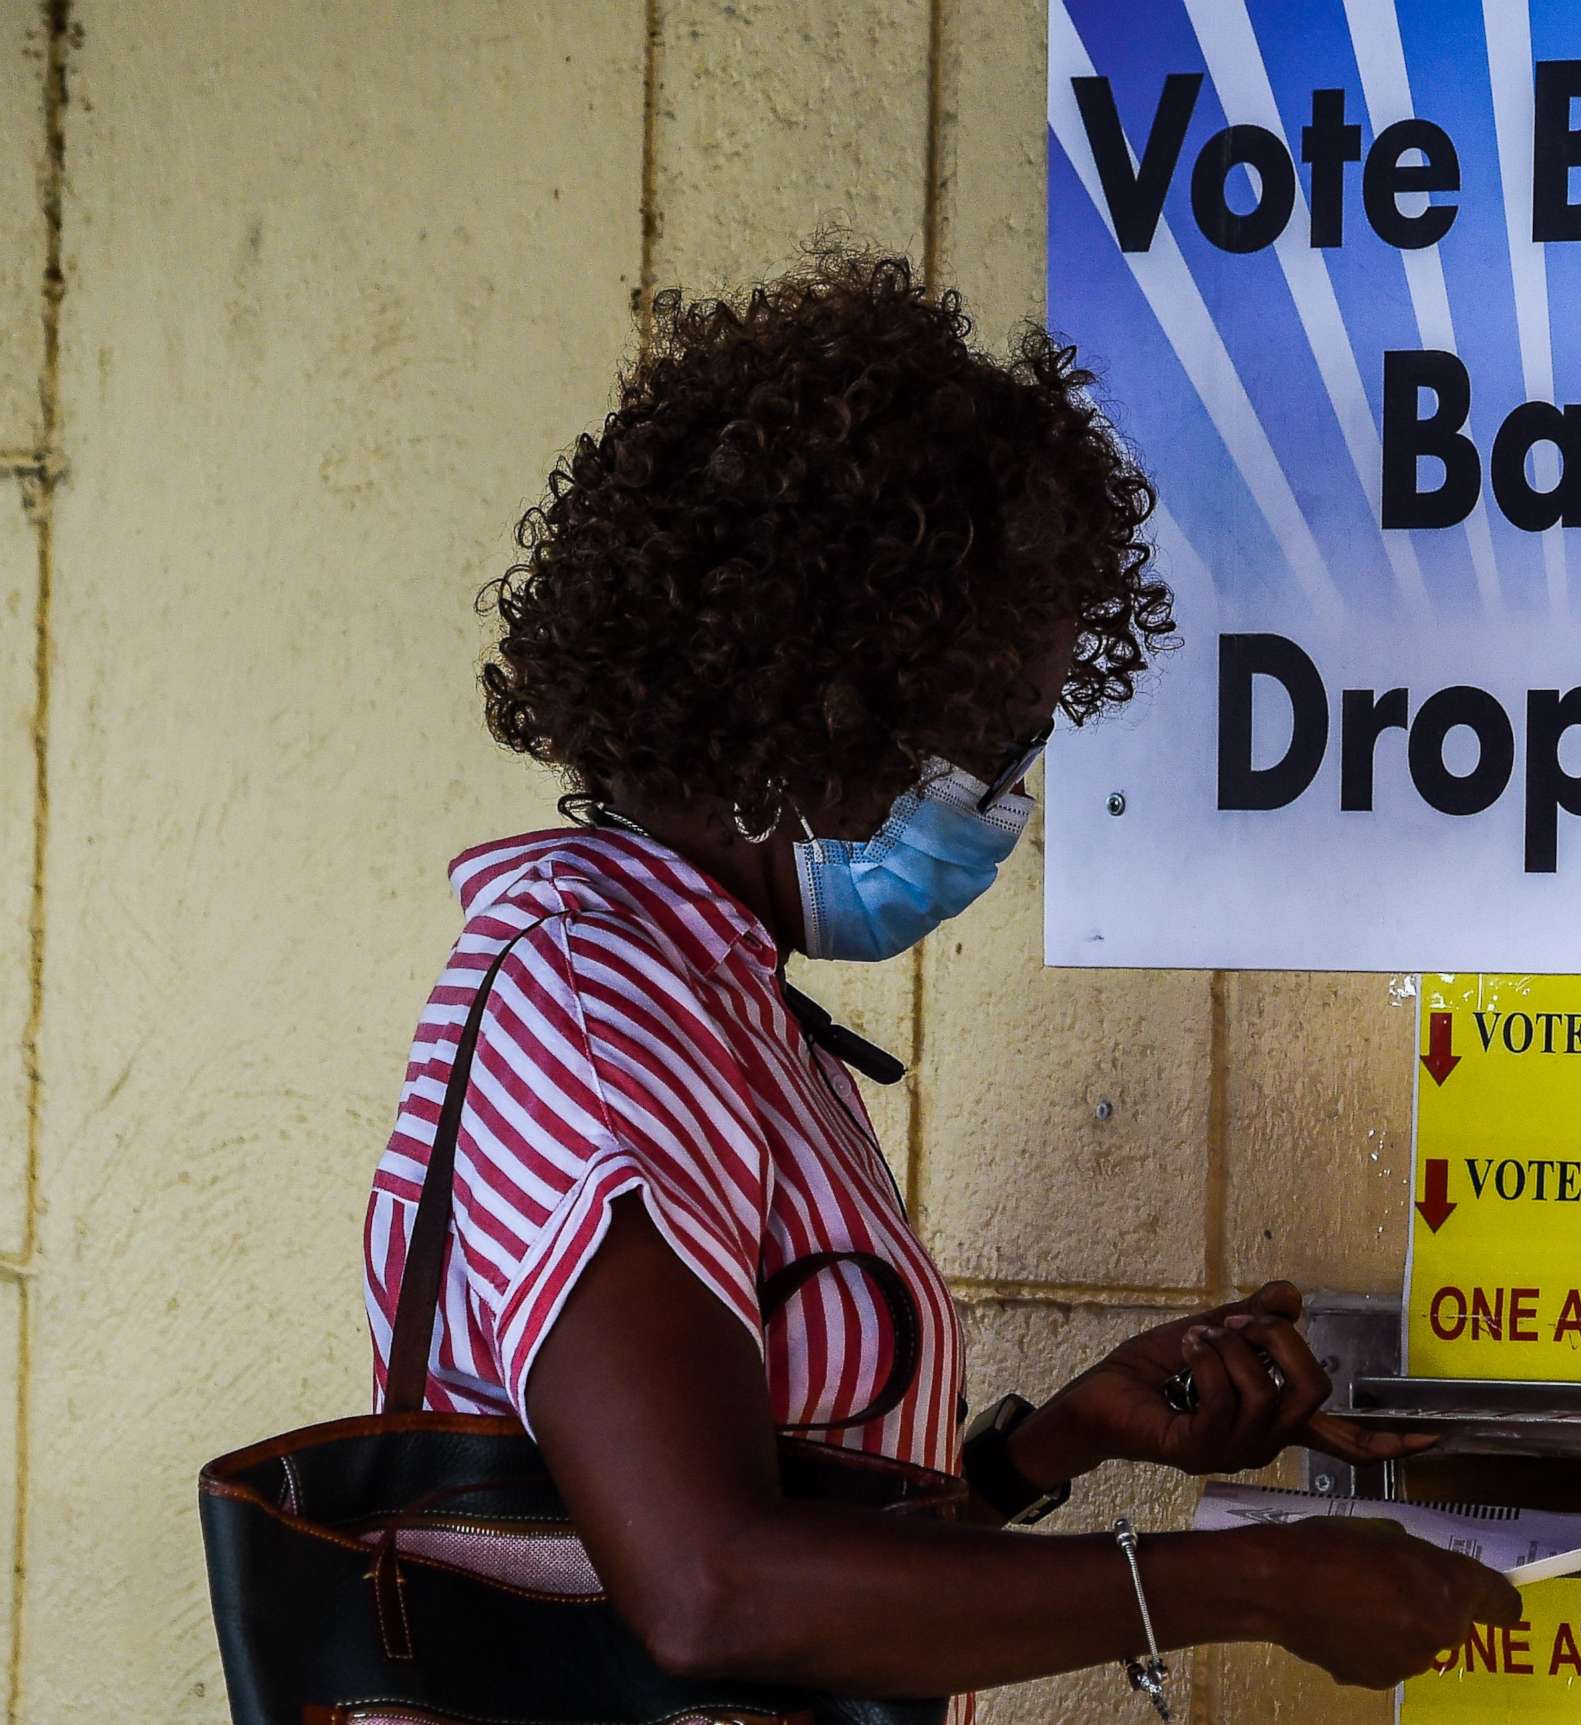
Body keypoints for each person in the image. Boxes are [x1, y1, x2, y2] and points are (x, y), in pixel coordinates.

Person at [359, 245, 1520, 1715]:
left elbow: (801, 1574)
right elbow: (711, 1591)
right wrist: (1257, 1580)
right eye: (990, 738)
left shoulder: (715, 997)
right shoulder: (593, 1003)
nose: (1005, 801)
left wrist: (1059, 1442)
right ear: (814, 699)